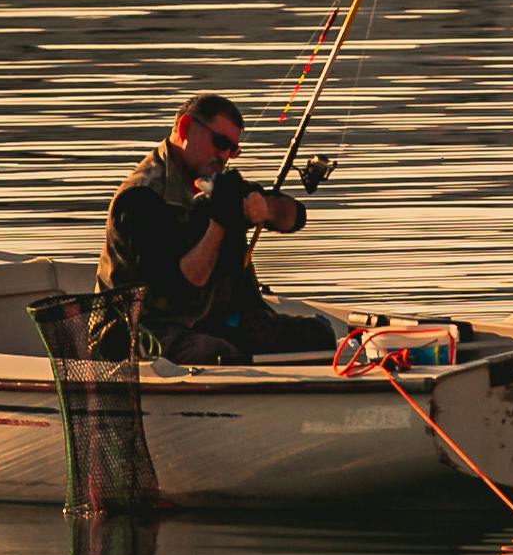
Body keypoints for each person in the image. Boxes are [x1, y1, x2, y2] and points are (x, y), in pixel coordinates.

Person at [90, 94, 335, 367]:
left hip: (210, 320)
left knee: (317, 335)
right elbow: (180, 287)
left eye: (233, 150)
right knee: (218, 354)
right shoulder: (140, 200)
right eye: (219, 143)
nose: (225, 156)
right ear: (184, 129)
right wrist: (219, 224)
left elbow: (296, 217)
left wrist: (266, 209)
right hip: (141, 332)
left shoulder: (216, 183)